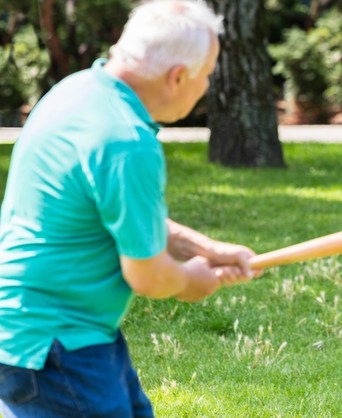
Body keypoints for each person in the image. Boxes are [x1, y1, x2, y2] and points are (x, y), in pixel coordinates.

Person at [0, 1, 259, 416]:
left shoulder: (79, 90)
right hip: (56, 345)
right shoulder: (126, 141)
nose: (207, 86)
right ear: (178, 77)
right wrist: (189, 281)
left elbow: (123, 215)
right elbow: (147, 274)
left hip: (47, 332)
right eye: (207, 75)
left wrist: (207, 250)